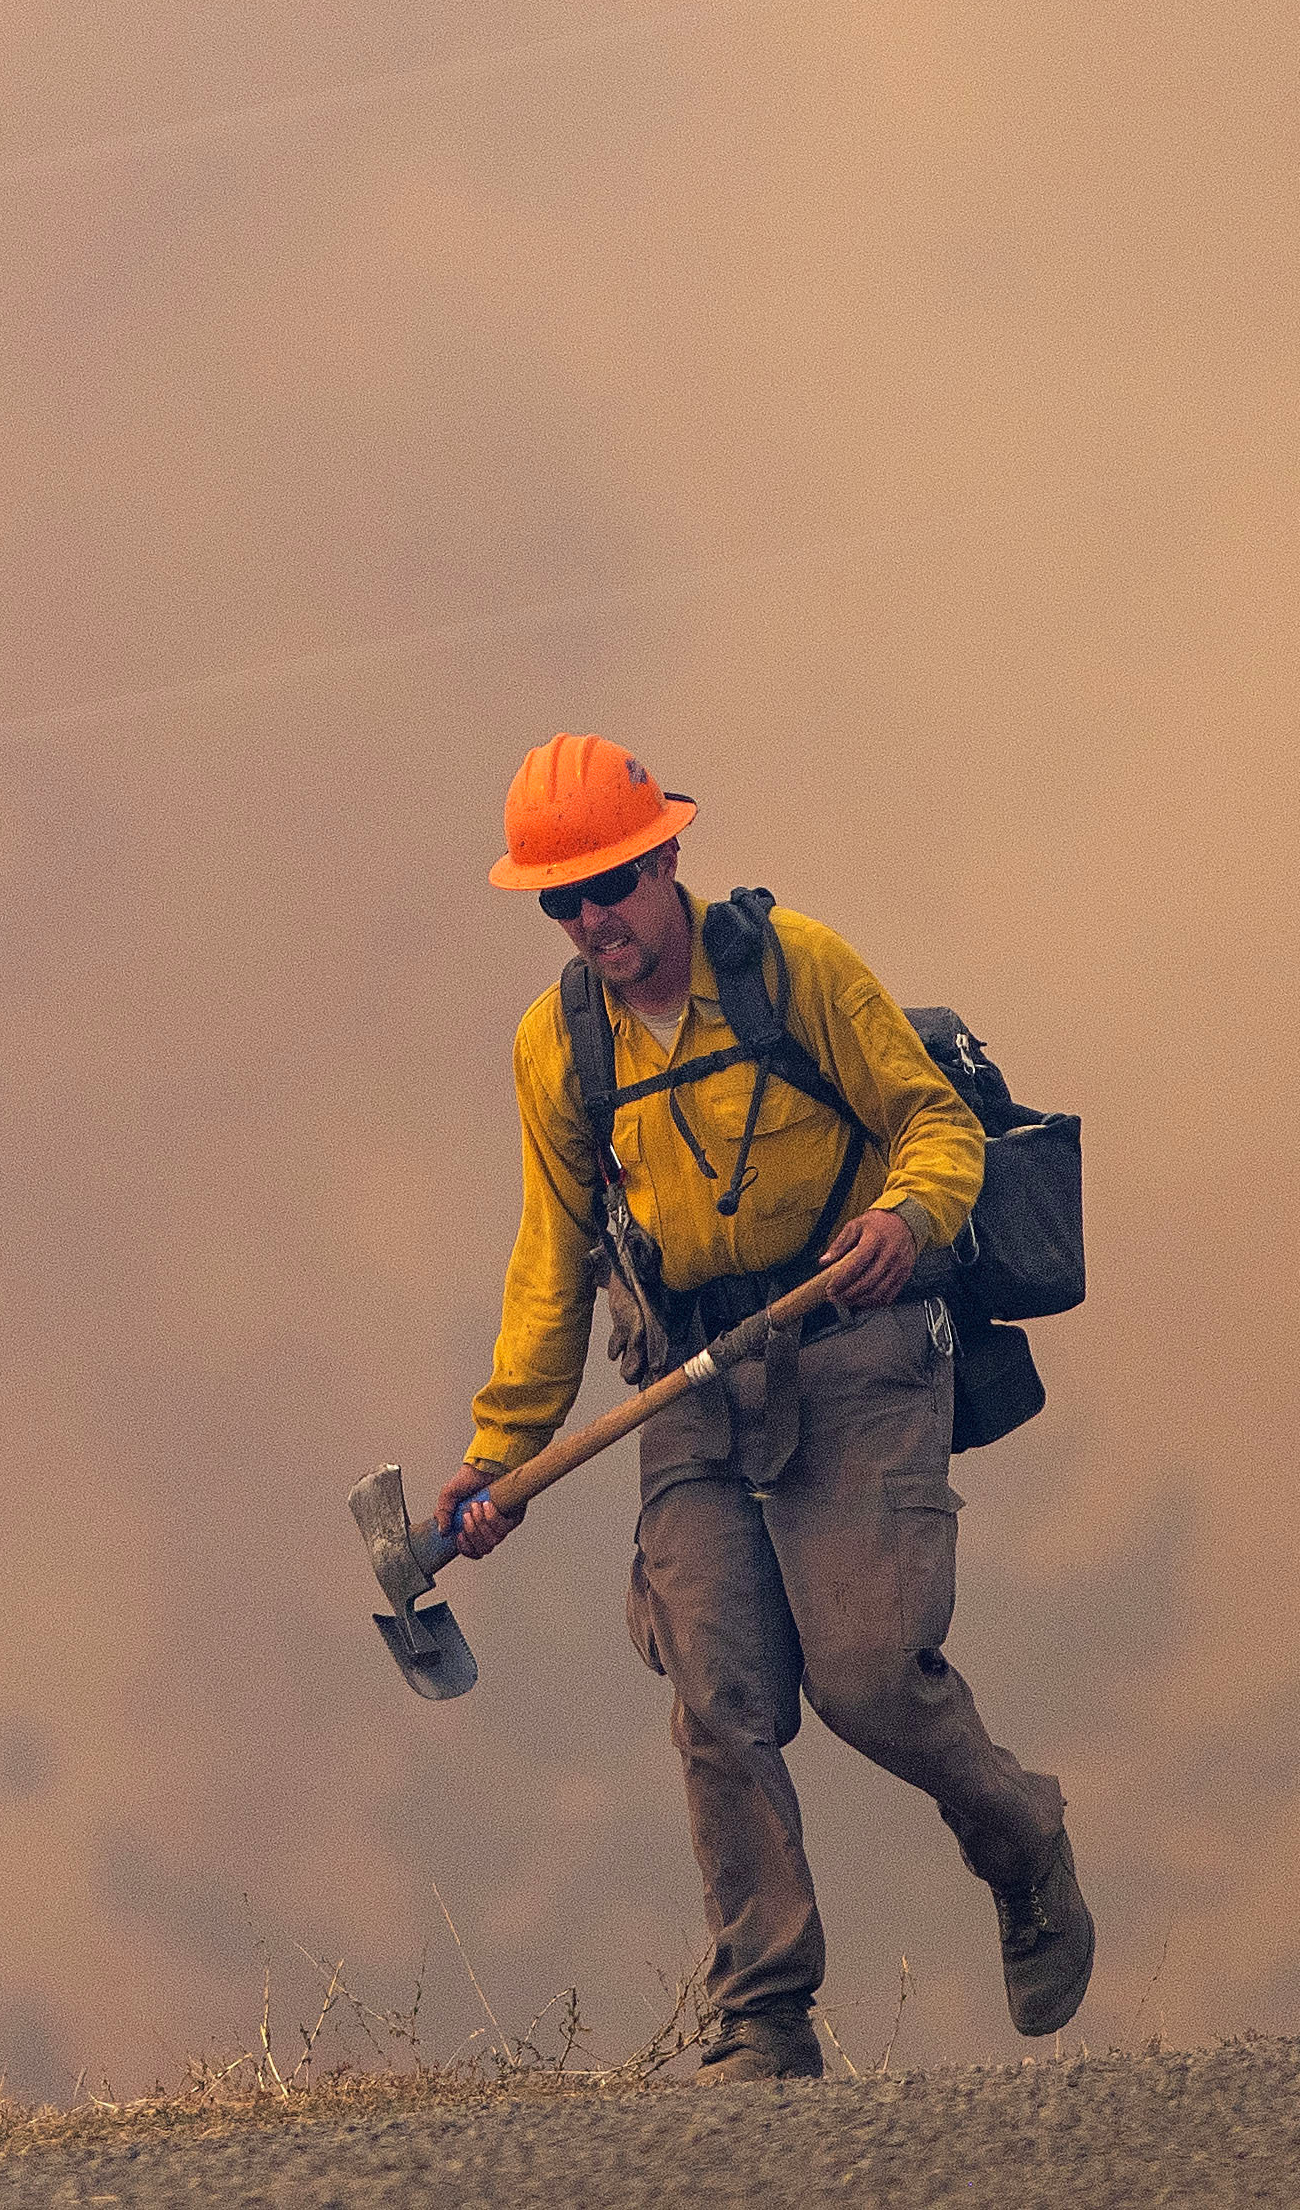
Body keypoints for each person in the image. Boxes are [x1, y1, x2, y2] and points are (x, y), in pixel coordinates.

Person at [437, 734, 1091, 2082]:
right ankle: (764, 2016)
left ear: (666, 855)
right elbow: (548, 1263)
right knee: (716, 1693)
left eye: (608, 882)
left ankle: (1021, 1838)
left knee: (864, 1679)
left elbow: (936, 1124)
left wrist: (910, 1219)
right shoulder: (555, 1047)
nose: (589, 920)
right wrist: (498, 1452)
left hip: (855, 1348)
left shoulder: (794, 967)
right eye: (559, 901)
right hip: (687, 1382)